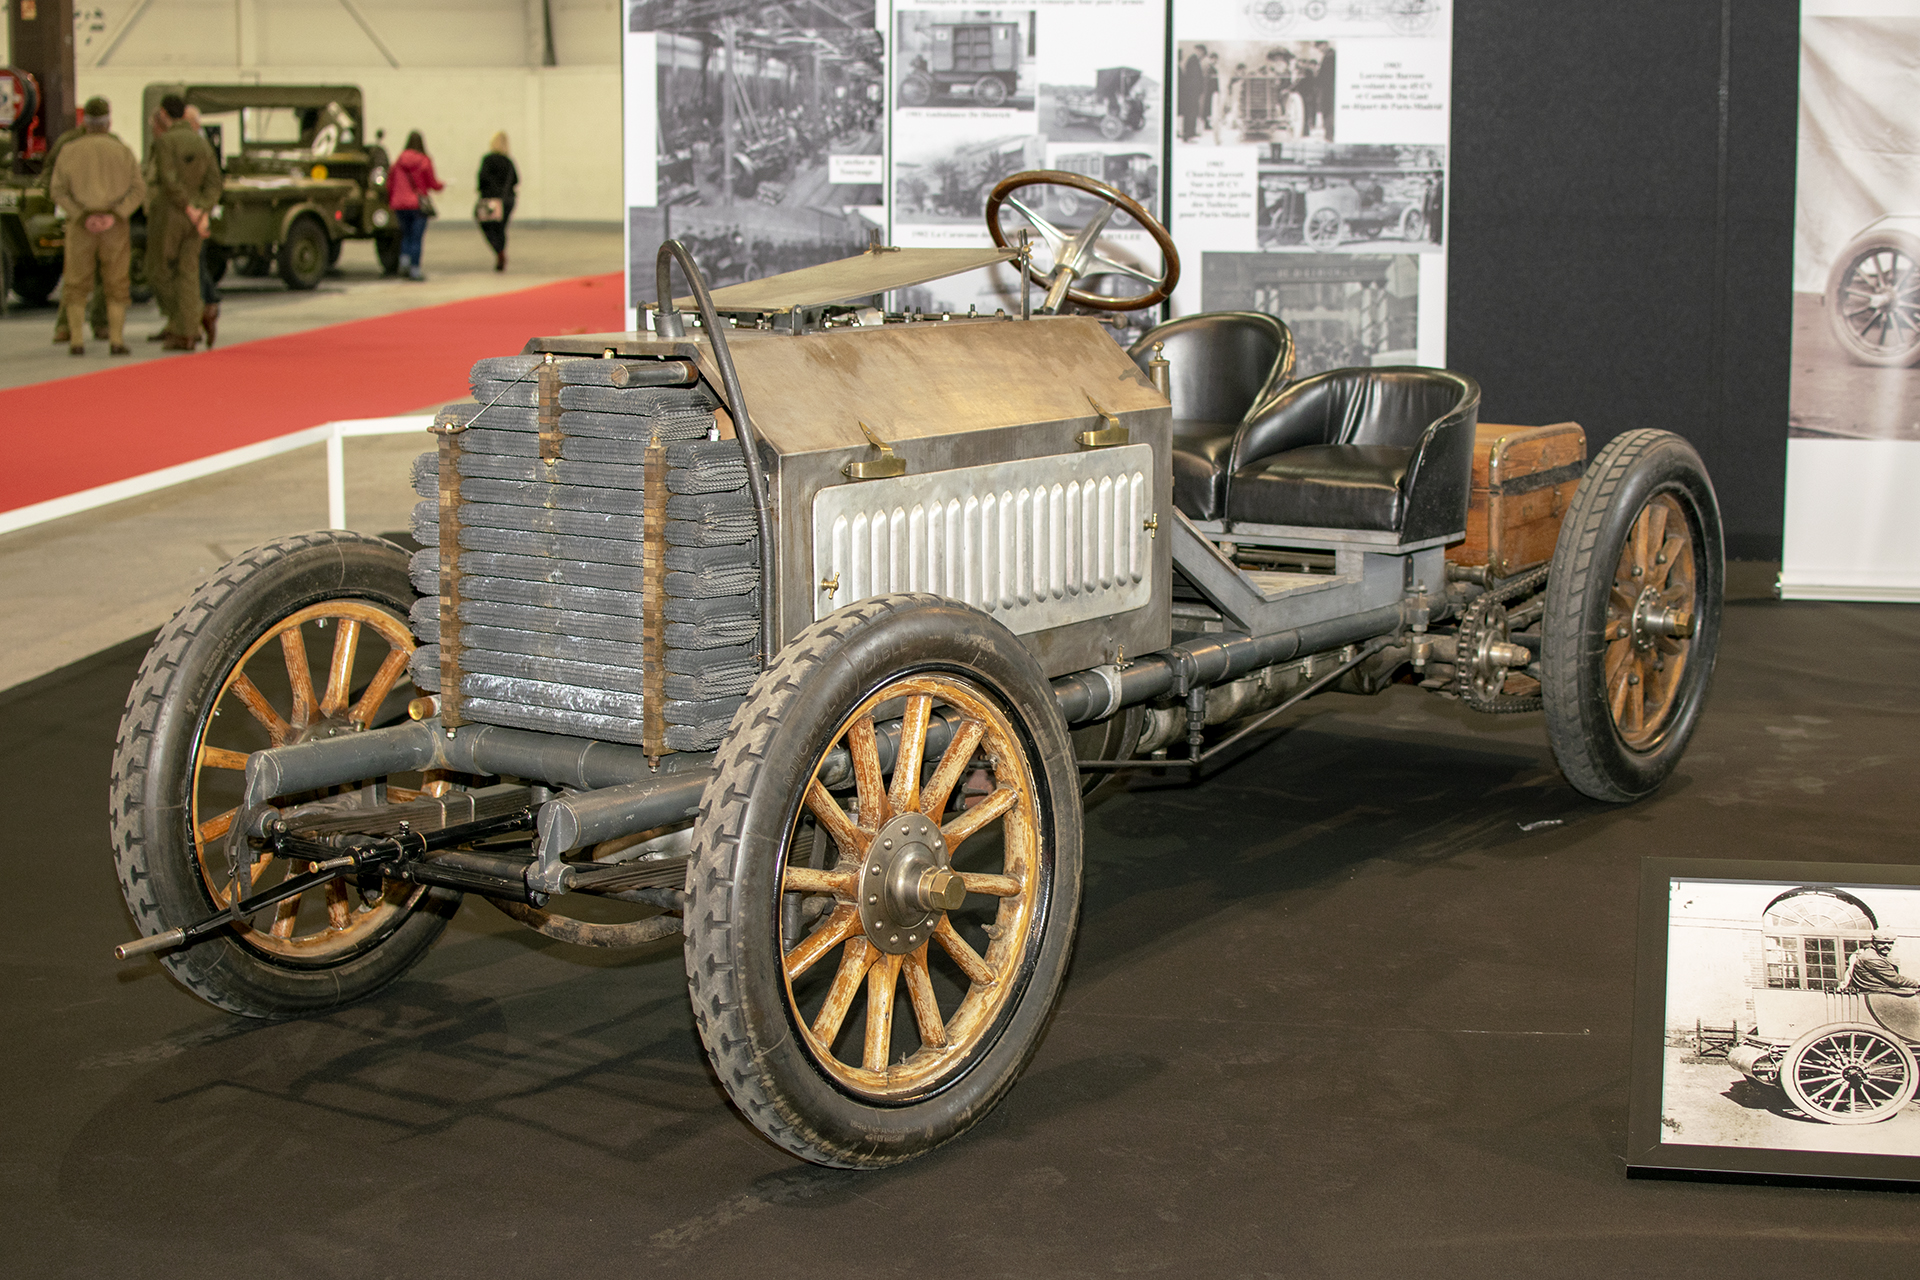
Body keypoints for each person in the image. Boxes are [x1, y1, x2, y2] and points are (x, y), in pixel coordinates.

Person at [48, 96, 145, 356]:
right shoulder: (122, 150)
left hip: (81, 226)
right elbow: (138, 189)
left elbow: (57, 190)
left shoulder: (70, 150)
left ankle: (76, 341)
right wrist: (116, 215)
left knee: (76, 284)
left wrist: (81, 214)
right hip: (114, 227)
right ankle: (116, 341)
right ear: (109, 122)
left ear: (85, 122)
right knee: (116, 285)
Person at [148, 93, 223, 350]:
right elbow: (215, 182)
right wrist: (202, 209)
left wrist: (187, 208)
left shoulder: (165, 142)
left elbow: (169, 181)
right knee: (190, 272)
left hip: (171, 216)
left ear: (164, 115)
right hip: (197, 219)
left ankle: (184, 321)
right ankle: (189, 331)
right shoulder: (201, 143)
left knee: (160, 271)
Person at [40, 109, 111, 345]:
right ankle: (67, 325)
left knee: (102, 272)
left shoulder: (111, 144)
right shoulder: (69, 143)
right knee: (76, 273)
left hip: (104, 214)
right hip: (79, 215)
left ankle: (100, 323)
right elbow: (50, 174)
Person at [386, 131, 443, 281]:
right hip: (417, 205)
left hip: (399, 204)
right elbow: (432, 183)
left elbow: (390, 183)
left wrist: (393, 198)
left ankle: (403, 264)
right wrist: (442, 186)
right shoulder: (424, 161)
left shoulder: (398, 162)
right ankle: (415, 269)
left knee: (406, 235)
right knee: (416, 238)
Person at [475, 131, 519, 272]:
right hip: (507, 199)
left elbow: (482, 179)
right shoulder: (509, 161)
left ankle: (499, 252)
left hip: (490, 199)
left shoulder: (487, 159)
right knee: (501, 228)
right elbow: (516, 180)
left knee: (486, 226)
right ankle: (501, 253)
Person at [1840, 934, 1920, 996]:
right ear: (1874, 943)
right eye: (1882, 943)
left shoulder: (1875, 954)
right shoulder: (1872, 958)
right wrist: (1917, 983)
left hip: (1880, 990)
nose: (1887, 946)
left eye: (1890, 943)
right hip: (1878, 992)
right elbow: (1895, 980)